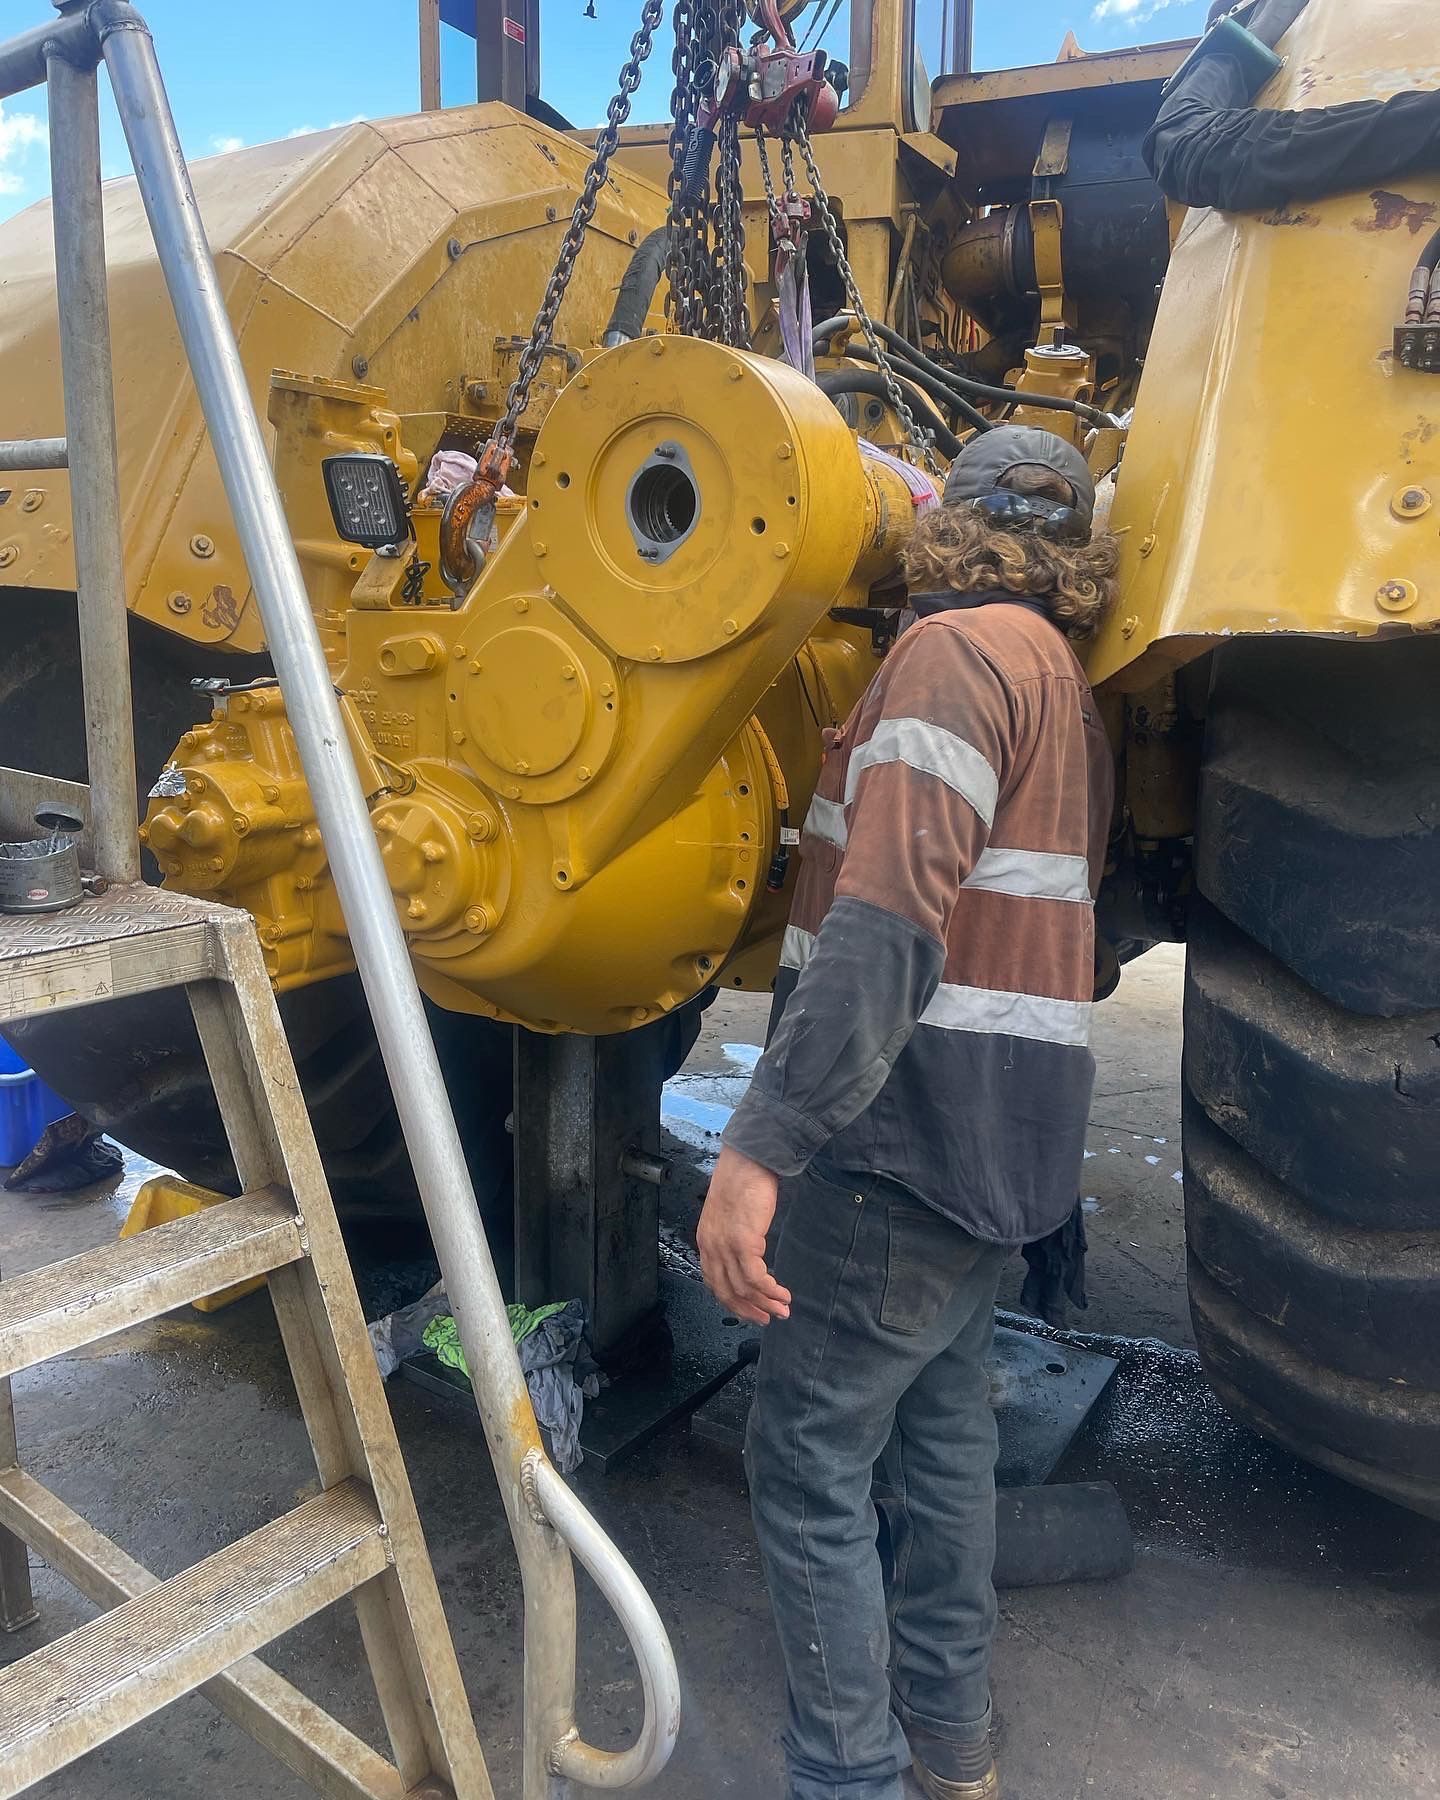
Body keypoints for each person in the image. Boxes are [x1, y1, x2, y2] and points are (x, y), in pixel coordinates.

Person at [697, 424, 1118, 1800]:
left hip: (900, 1136)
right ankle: (953, 1739)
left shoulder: (949, 656)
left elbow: (883, 930)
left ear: (947, 523)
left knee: (808, 1460)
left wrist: (760, 1144)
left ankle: (848, 1774)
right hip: (1007, 1147)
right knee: (946, 1442)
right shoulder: (1065, 685)